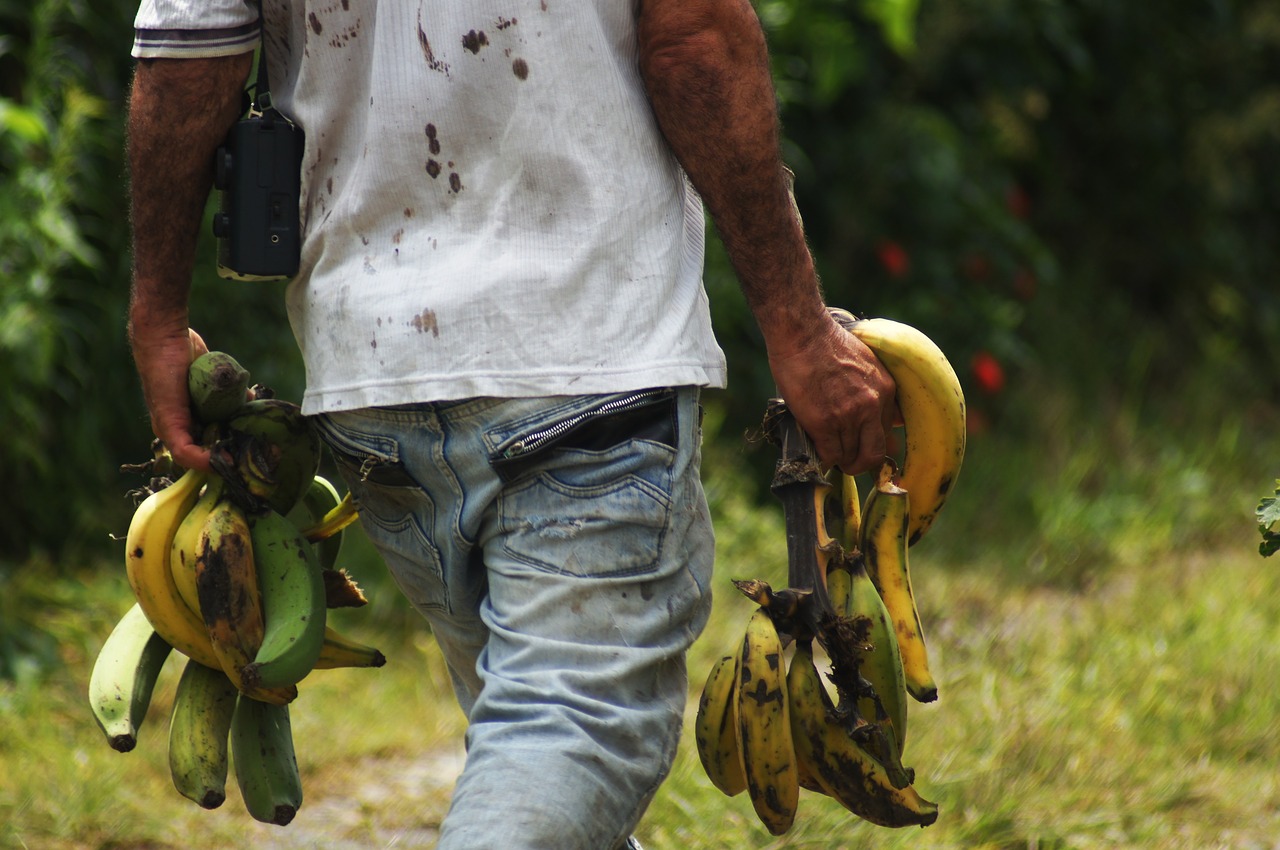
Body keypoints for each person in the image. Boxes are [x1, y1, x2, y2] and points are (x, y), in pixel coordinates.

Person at [126, 1, 896, 847]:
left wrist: (159, 314)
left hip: (374, 380)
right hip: (586, 360)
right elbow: (697, 42)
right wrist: (797, 326)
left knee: (533, 750)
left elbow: (188, 51)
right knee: (566, 733)